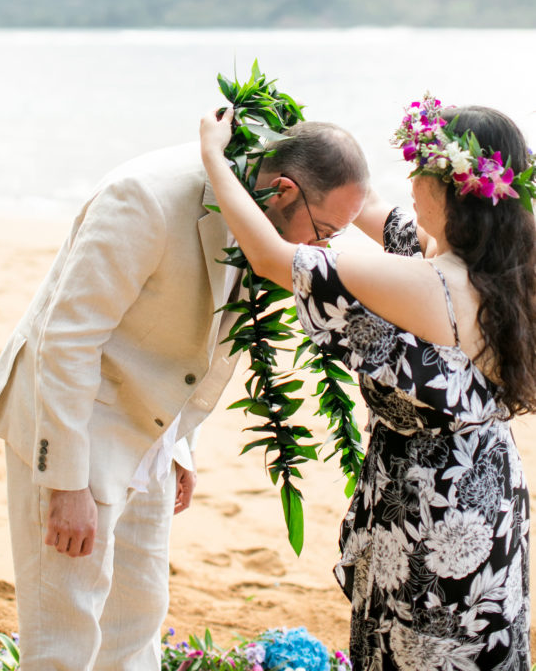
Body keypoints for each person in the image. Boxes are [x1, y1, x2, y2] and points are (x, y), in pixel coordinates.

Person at [0, 125, 368, 671]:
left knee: (137, 620)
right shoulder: (145, 198)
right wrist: (65, 484)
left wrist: (180, 444)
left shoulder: (261, 215)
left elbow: (202, 339)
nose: (319, 249)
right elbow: (66, 341)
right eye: (323, 229)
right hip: (76, 424)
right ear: (283, 189)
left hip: (154, 437)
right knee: (63, 639)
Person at [200, 94, 536, 671]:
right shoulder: (502, 266)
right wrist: (307, 151)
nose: (410, 180)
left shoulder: (429, 283)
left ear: (453, 188)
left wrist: (213, 157)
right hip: (485, 488)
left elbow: (273, 258)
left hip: (435, 510)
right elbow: (369, 205)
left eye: (421, 168)